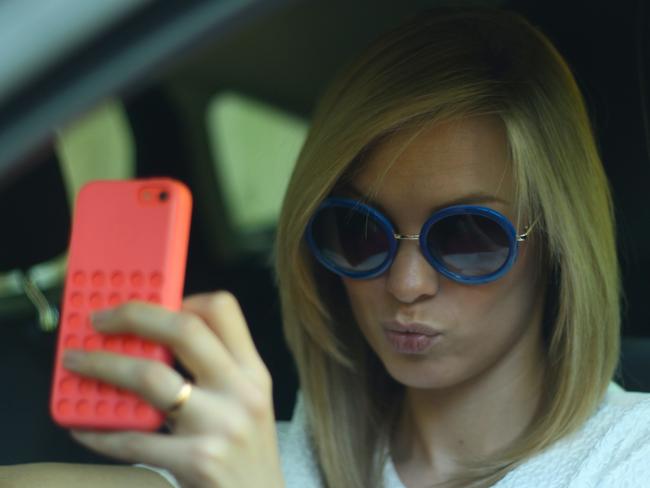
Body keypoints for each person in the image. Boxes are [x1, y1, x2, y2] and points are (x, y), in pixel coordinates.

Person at [3, 6, 650, 488]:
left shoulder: (629, 456)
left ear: (556, 244)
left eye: (468, 237)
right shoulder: (267, 457)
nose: (406, 283)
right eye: (358, 231)